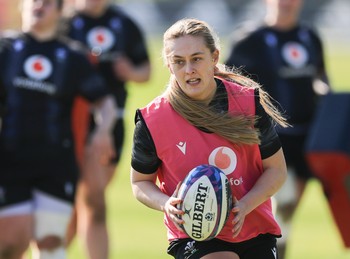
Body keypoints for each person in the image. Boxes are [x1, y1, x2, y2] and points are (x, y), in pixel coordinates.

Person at [131, 18, 289, 259]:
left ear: (214, 58)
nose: (189, 70)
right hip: (195, 232)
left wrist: (245, 205)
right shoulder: (153, 120)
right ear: (169, 65)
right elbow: (140, 182)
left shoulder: (247, 103)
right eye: (179, 62)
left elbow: (276, 171)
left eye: (196, 58)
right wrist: (165, 203)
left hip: (253, 227)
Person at [0, 0, 117, 258]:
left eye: (48, 2)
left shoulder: (73, 56)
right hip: (9, 161)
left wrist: (103, 130)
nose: (39, 6)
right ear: (23, 6)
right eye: (34, 1)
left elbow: (105, 102)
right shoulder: (5, 49)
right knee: (11, 239)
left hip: (55, 164)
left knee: (51, 239)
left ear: (60, 11)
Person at [225, 0, 331, 258]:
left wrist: (329, 98)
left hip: (307, 136)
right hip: (269, 138)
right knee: (278, 205)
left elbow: (321, 77)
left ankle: (277, 250)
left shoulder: (310, 37)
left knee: (288, 211)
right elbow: (226, 83)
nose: (286, 3)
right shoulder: (249, 40)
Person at [63, 0, 151, 258]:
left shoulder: (124, 24)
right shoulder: (64, 23)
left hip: (112, 121)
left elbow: (145, 69)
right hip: (70, 122)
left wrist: (131, 71)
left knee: (85, 202)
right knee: (89, 201)